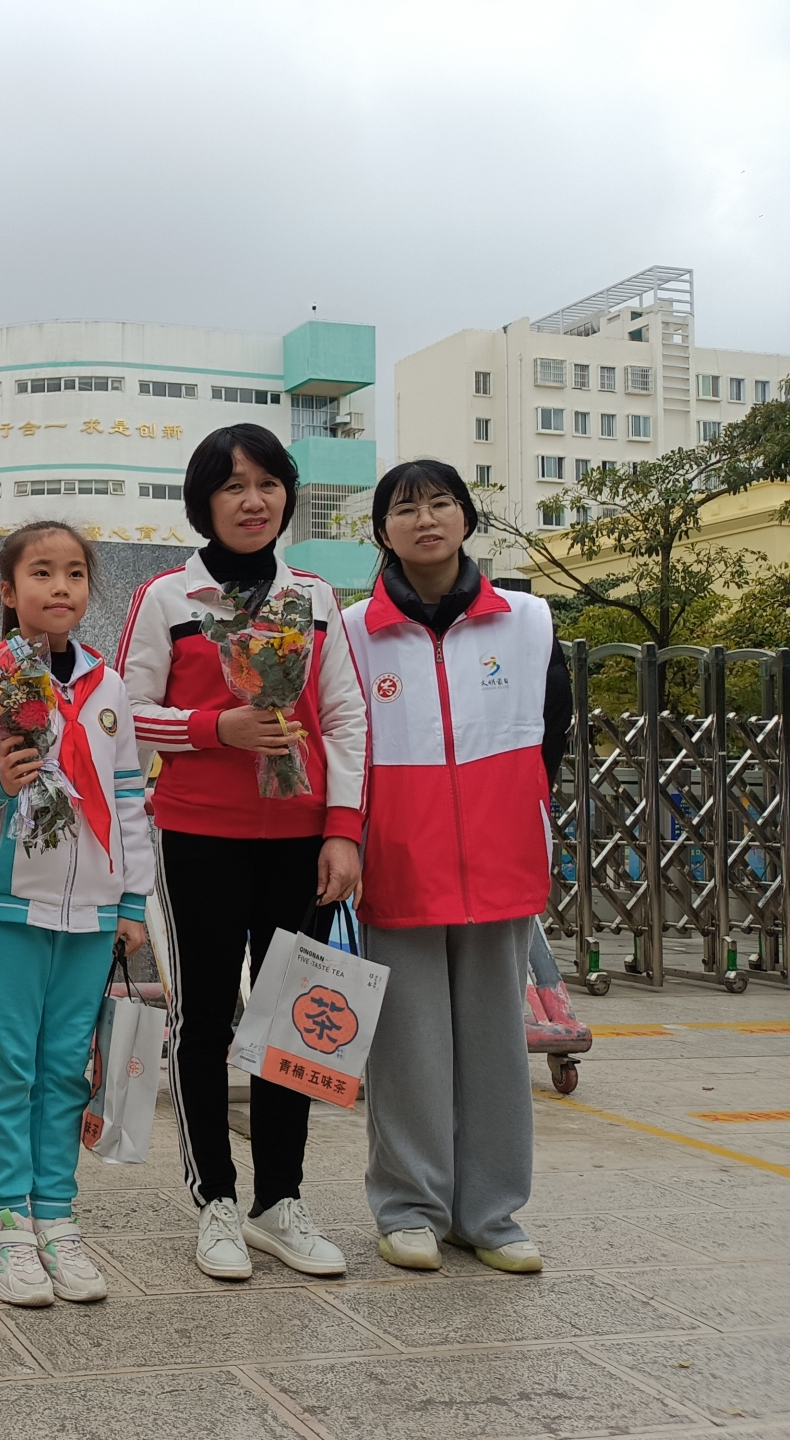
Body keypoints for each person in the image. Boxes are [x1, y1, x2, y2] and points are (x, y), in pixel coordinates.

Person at [118, 423, 366, 1282]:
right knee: (204, 1019)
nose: (253, 501)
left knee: (294, 1023)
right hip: (199, 839)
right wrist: (213, 729)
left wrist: (344, 828)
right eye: (233, 486)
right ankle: (215, 1200)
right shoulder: (167, 598)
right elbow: (125, 716)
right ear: (204, 502)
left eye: (267, 484)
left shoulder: (317, 598)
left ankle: (279, 1202)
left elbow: (346, 718)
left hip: (302, 842)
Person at [343, 459, 570, 1275]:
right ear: (382, 532)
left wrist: (516, 819)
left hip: (499, 862)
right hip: (396, 861)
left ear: (467, 517)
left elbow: (552, 737)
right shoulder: (351, 632)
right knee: (407, 1047)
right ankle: (410, 1208)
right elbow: (340, 744)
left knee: (496, 1044)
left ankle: (492, 1214)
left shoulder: (529, 621)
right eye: (405, 509)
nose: (426, 519)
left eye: (441, 503)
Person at [0, 521, 157, 1307]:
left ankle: (57, 1220)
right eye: (41, 573)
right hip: (9, 904)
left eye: (74, 573)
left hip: (95, 912)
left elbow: (128, 800)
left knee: (67, 1069)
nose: (60, 587)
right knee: (12, 1070)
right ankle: (7, 1228)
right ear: (8, 590)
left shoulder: (110, 688)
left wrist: (132, 899)